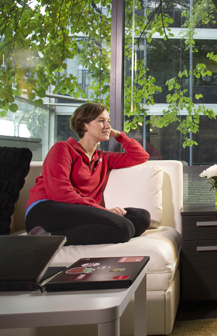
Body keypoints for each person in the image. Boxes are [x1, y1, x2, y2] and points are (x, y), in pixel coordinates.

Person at [25, 102, 151, 245]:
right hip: (46, 211)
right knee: (124, 227)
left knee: (141, 217)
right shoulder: (62, 149)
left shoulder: (103, 158)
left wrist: (118, 135)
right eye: (101, 121)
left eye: (108, 121)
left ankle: (52, 236)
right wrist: (103, 211)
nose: (108, 126)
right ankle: (45, 238)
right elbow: (59, 193)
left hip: (80, 211)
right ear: (84, 125)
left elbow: (140, 156)